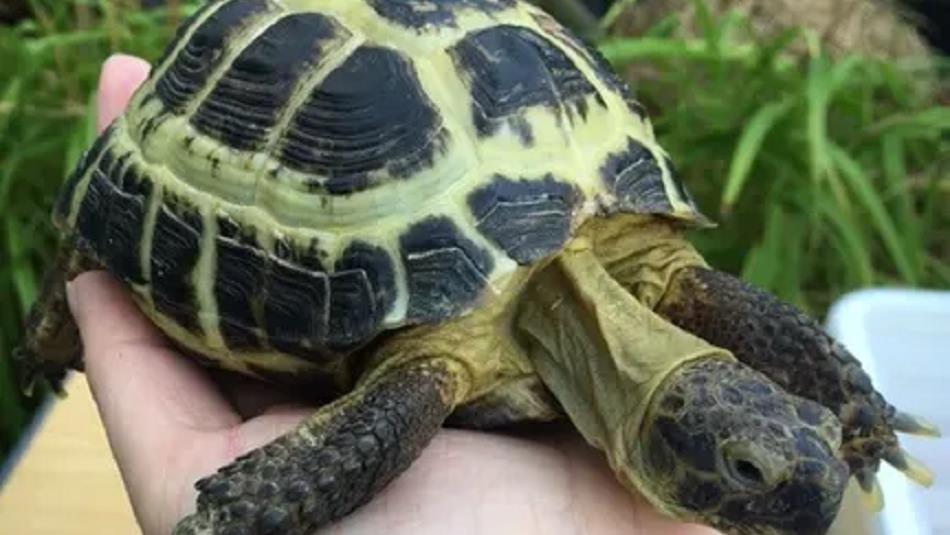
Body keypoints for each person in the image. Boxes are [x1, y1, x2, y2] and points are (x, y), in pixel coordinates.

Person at [73, 54, 718, 535]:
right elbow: (351, 448)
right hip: (353, 144)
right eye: (740, 471)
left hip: (563, 159)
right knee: (86, 286)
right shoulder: (442, 358)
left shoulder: (645, 258)